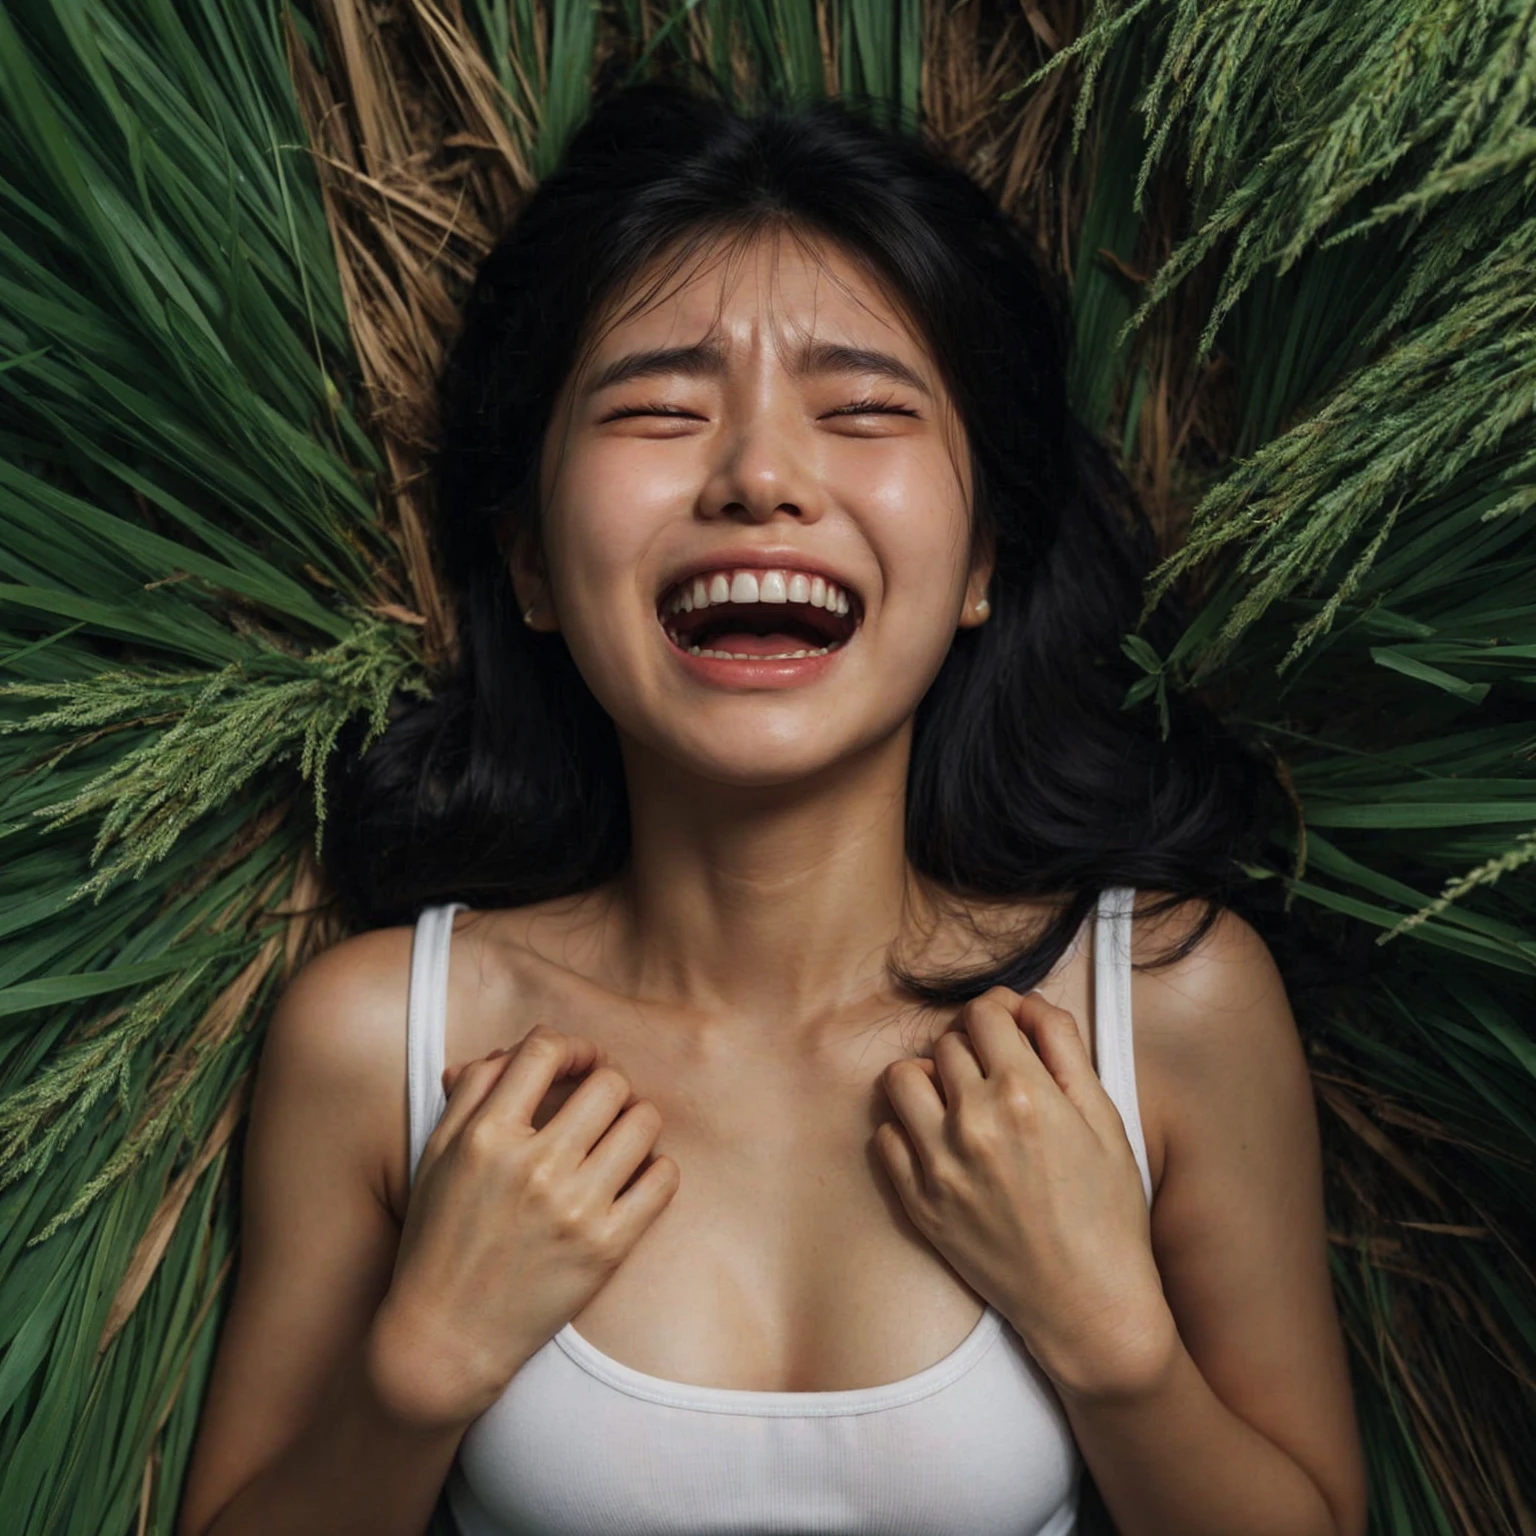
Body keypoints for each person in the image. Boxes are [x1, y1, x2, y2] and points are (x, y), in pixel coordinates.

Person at [178, 82, 1368, 1536]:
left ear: (984, 558)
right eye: (661, 409)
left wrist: (1118, 1354)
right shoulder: (383, 1041)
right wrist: (418, 1375)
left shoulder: (1167, 1006)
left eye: (862, 408)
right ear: (536, 568)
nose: (757, 476)